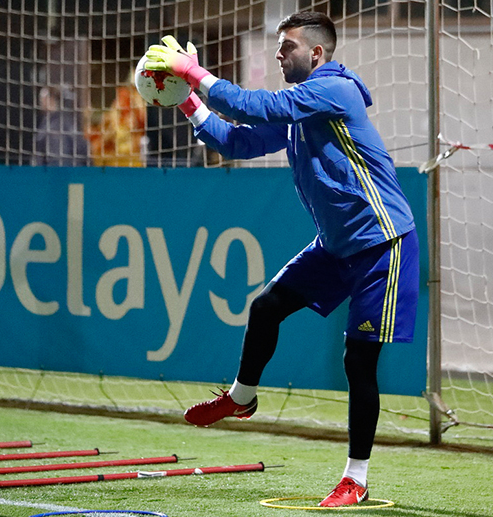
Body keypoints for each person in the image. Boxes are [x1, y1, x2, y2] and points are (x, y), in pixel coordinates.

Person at [144, 11, 419, 507]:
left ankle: (355, 477)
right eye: (278, 44)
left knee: (358, 360)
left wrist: (193, 73)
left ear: (316, 54)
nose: (278, 53)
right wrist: (185, 100)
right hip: (335, 247)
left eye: (287, 45)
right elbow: (237, 139)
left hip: (383, 243)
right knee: (266, 306)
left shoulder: (335, 90)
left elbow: (254, 107)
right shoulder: (299, 110)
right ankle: (242, 398)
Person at [35, 85, 90, 166]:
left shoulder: (56, 126)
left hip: (62, 175)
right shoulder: (64, 121)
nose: (41, 102)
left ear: (50, 99)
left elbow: (59, 160)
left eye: (42, 99)